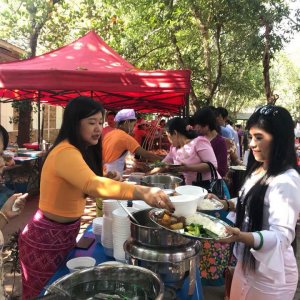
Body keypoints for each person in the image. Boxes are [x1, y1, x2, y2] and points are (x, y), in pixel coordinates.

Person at [18, 97, 174, 299]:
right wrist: (142, 192)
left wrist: (106, 178)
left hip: (63, 234)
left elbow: (90, 182)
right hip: (45, 239)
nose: (98, 128)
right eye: (91, 122)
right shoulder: (65, 152)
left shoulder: (79, 150)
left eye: (100, 122)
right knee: (45, 294)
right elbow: (92, 185)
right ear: (75, 123)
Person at [211, 105, 300, 300]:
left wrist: (241, 236)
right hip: (248, 263)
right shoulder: (260, 168)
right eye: (250, 137)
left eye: (259, 137)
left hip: (271, 274)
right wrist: (224, 203)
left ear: (279, 139)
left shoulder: (286, 181)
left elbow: (281, 237)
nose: (251, 144)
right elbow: (251, 199)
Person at [102, 109, 162, 175]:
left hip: (104, 171)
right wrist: (164, 162)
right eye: (133, 125)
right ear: (126, 122)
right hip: (113, 174)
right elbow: (146, 154)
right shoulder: (125, 137)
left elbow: (114, 154)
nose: (133, 128)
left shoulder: (110, 134)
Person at [161, 117, 219, 185]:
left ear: (175, 133)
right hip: (191, 189)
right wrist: (147, 174)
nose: (168, 139)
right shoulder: (174, 149)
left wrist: (187, 168)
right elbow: (162, 164)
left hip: (208, 187)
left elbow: (213, 165)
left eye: (168, 136)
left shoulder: (198, 142)